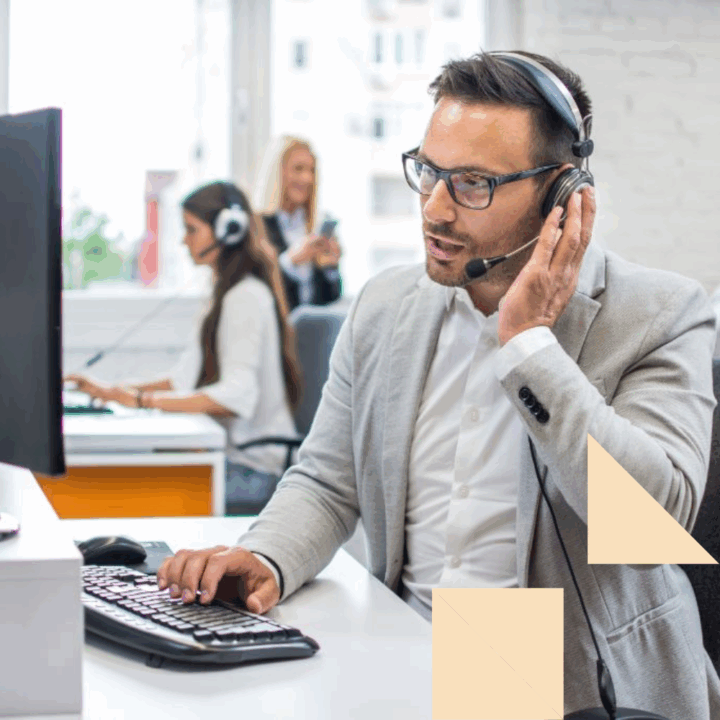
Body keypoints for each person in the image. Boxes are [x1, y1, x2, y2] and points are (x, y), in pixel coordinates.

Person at [155, 52, 720, 718]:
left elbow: (655, 524)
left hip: (572, 678)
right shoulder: (386, 306)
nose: (435, 207)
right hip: (399, 645)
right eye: (429, 171)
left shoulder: (661, 313)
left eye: (473, 182)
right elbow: (327, 480)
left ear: (562, 192)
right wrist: (267, 558)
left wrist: (531, 345)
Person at [66, 181, 301, 514]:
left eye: (192, 230)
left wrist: (139, 400)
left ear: (228, 231)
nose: (183, 240)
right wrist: (114, 392)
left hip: (255, 470)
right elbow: (183, 381)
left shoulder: (245, 298)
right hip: (233, 458)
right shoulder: (224, 296)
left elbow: (236, 396)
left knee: (135, 494)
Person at [254, 135, 342, 311]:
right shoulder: (257, 227)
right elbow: (257, 291)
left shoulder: (314, 227)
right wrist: (290, 261)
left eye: (311, 170)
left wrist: (330, 267)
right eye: (298, 169)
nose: (307, 179)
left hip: (311, 332)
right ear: (278, 173)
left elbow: (331, 296)